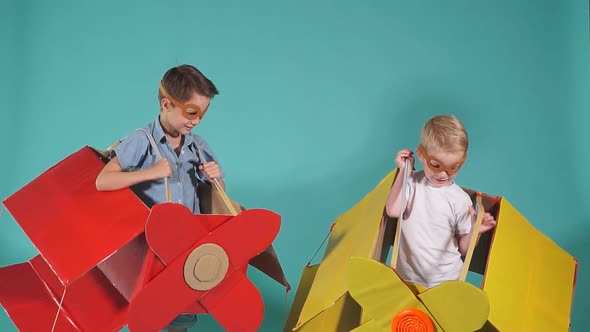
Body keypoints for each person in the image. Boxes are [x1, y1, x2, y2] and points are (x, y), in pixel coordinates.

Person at [96, 64, 223, 332]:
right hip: (149, 249)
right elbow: (103, 180)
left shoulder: (198, 147)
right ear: (167, 104)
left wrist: (215, 178)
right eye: (191, 112)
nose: (197, 121)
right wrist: (149, 173)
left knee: (182, 310)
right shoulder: (142, 141)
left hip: (185, 247)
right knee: (148, 313)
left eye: (203, 114)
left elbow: (217, 198)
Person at [385, 114, 496, 289]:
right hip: (407, 278)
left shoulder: (459, 199)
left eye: (453, 167)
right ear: (421, 155)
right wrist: (403, 171)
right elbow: (392, 210)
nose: (443, 174)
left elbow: (463, 249)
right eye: (436, 165)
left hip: (446, 282)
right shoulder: (412, 182)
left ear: (462, 161)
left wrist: (476, 231)